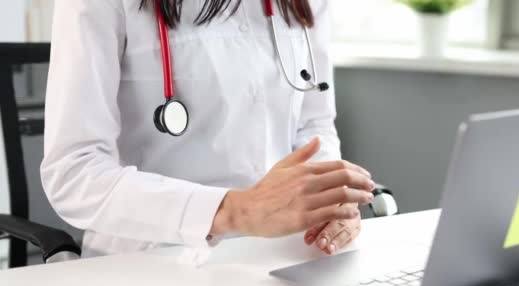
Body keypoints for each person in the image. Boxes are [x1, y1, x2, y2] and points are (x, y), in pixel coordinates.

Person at [41, 0, 375, 258]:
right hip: (155, 256)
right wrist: (233, 210)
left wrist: (327, 202)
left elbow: (313, 124)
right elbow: (74, 172)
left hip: (286, 253)